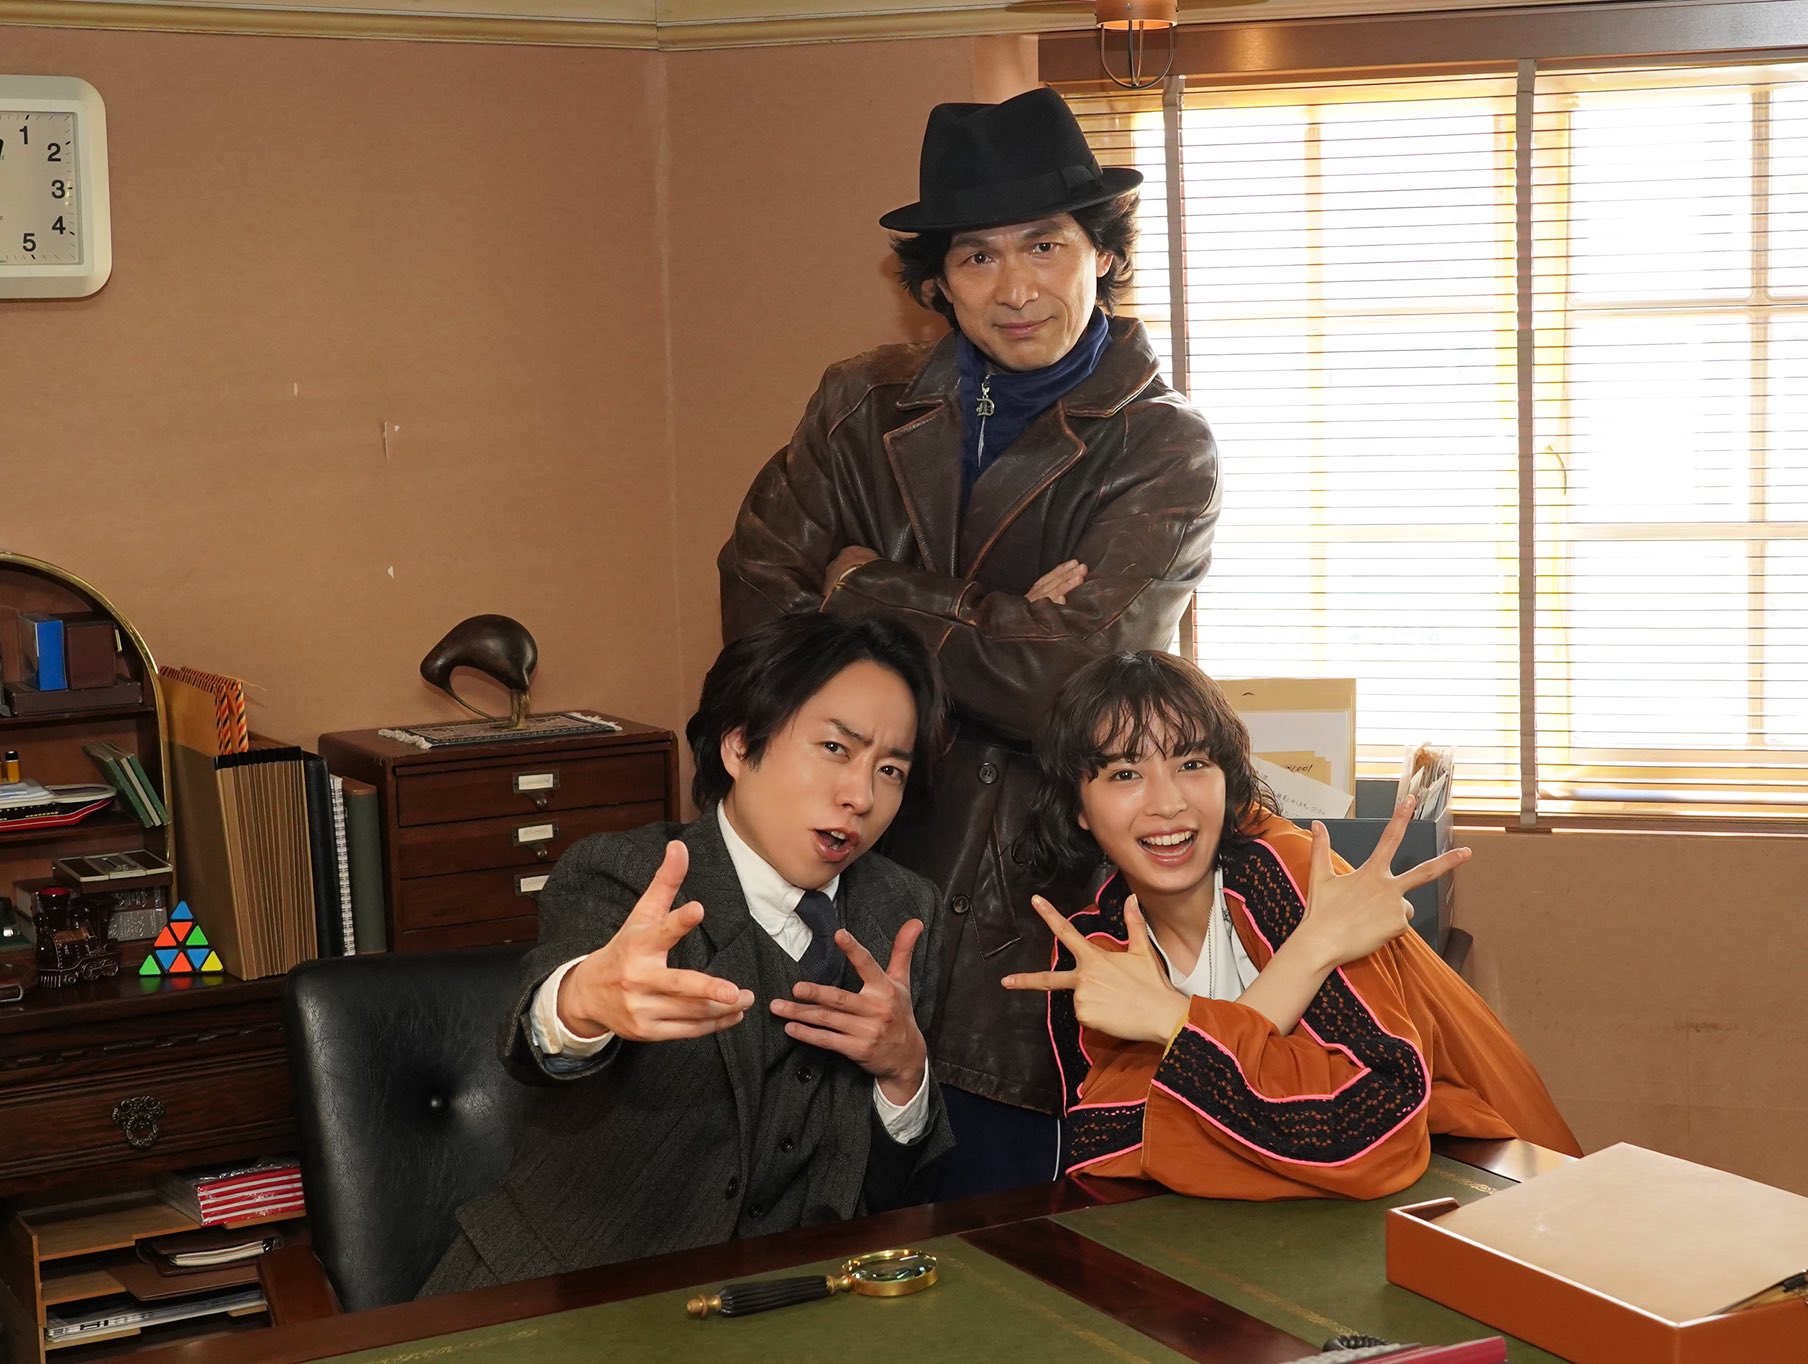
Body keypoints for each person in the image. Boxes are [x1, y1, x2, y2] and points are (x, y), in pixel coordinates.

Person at [718, 86, 1221, 1196]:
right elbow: (756, 612)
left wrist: (863, 586)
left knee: (1010, 1247)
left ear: (1101, 253)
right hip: (831, 878)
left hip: (1025, 916)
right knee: (815, 1230)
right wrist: (995, 615)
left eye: (1044, 245)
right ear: (937, 281)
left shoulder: (1162, 445)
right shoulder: (859, 402)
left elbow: (1071, 686)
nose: (1016, 287)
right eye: (977, 256)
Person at [422, 613, 952, 1293]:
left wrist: (905, 1073)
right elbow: (539, 1031)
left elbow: (898, 1197)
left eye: (890, 770)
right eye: (833, 748)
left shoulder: (902, 912)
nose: (861, 796)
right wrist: (581, 1003)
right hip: (566, 1293)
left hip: (785, 1307)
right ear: (739, 744)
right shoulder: (626, 875)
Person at [1005, 651, 1580, 1198]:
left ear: (1229, 779)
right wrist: (1305, 959)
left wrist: (1171, 1030)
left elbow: (1379, 1132)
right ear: (1079, 807)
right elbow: (1102, 1145)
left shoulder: (1291, 877)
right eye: (1125, 773)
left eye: (1192, 764)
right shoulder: (1097, 941)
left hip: (1501, 1185)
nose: (1167, 802)